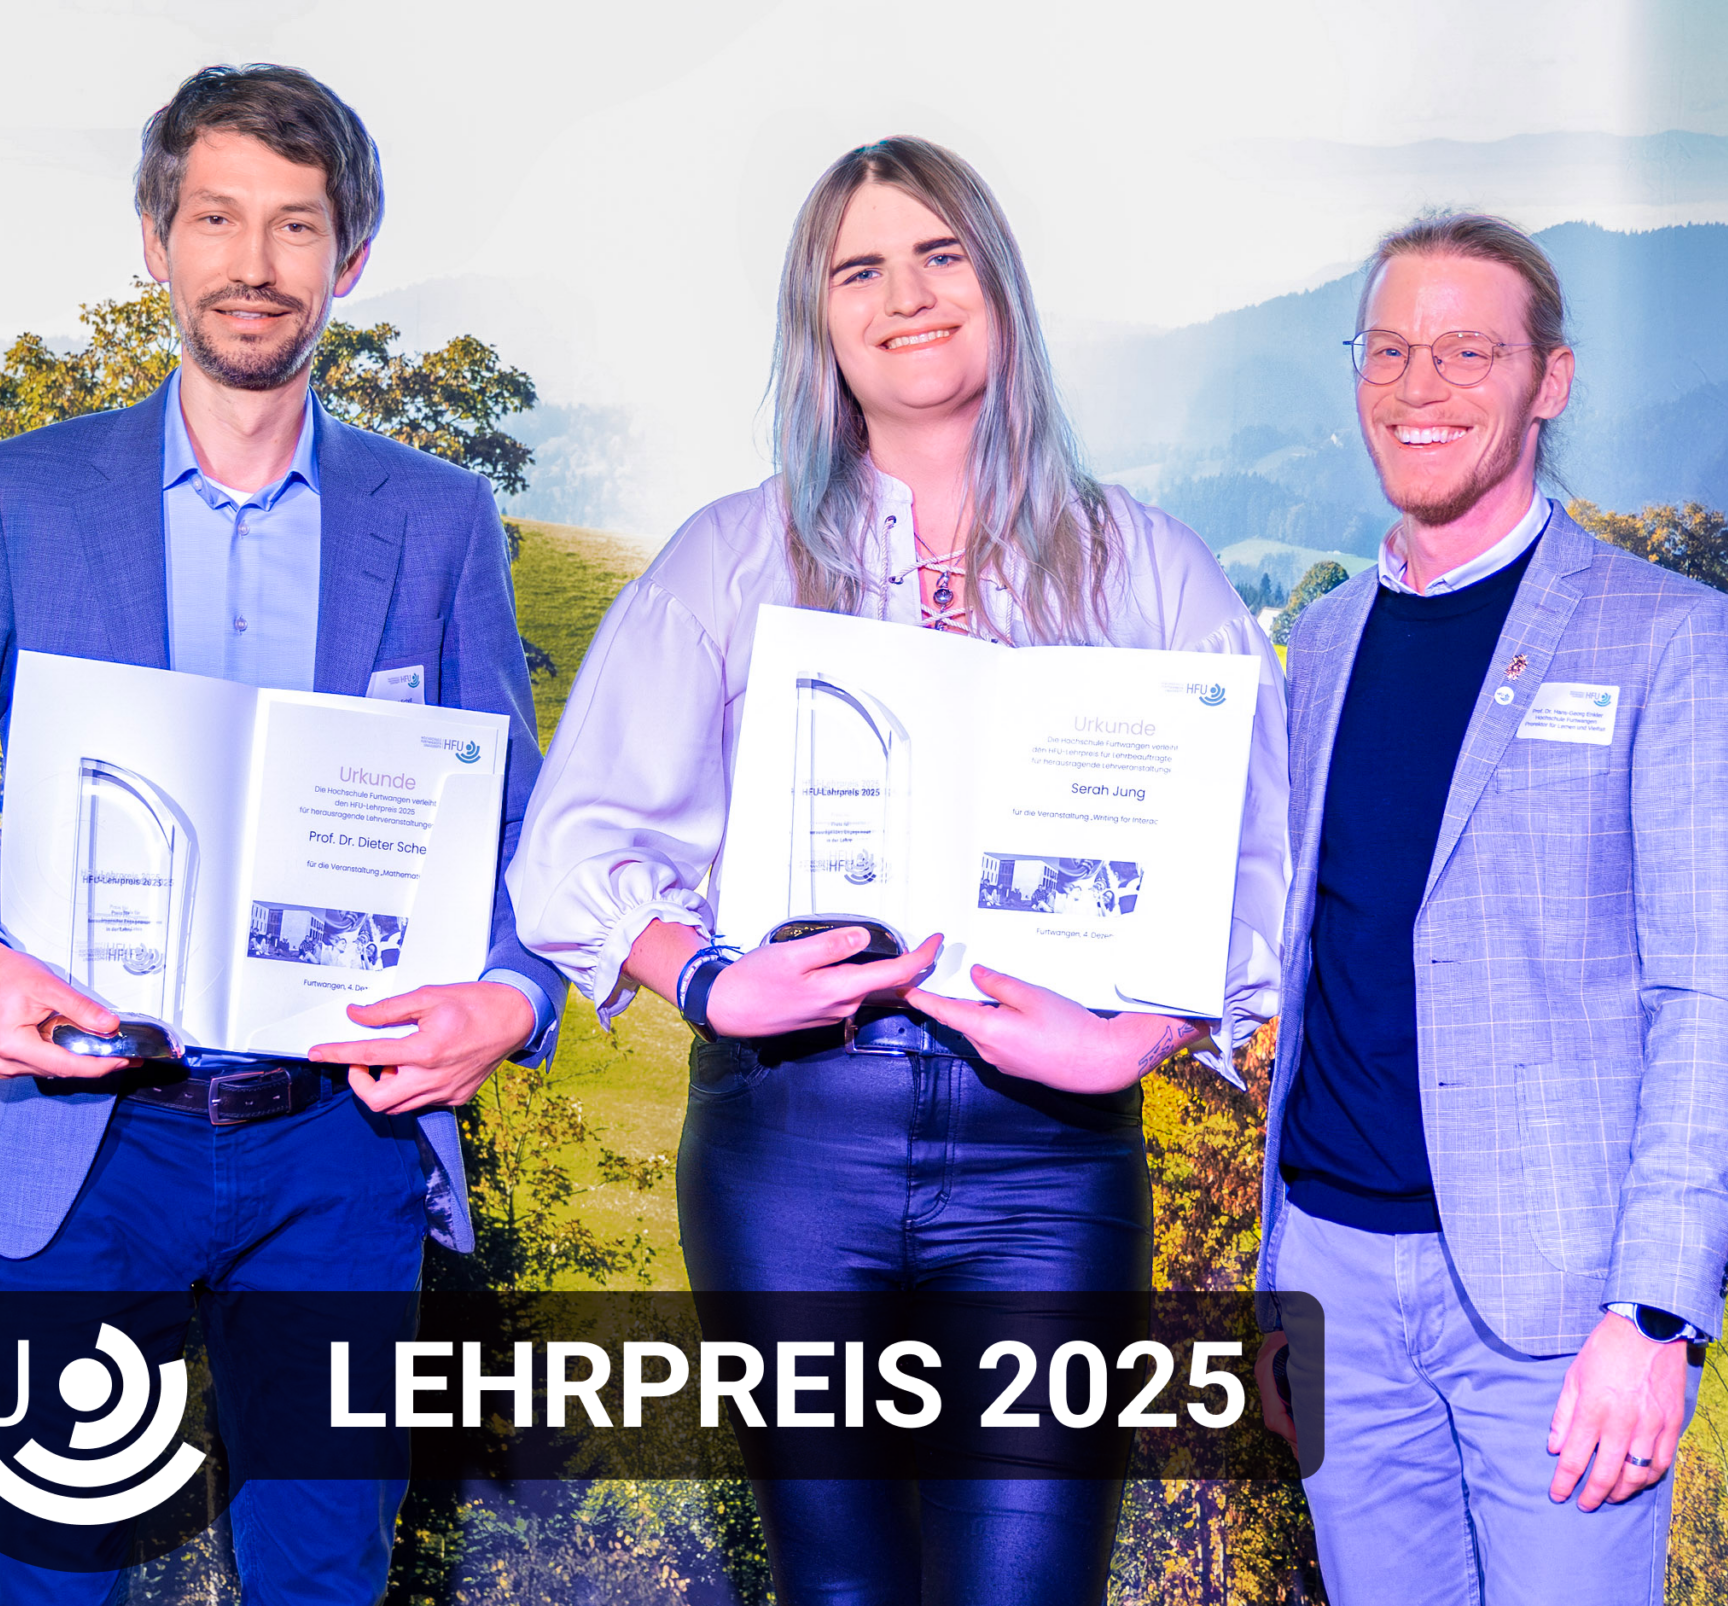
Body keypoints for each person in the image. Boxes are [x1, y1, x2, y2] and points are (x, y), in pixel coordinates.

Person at [508, 137, 1289, 1603]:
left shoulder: (1151, 568)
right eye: (859, 269)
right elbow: (575, 842)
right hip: (789, 1147)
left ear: (1001, 285)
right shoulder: (727, 561)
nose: (907, 296)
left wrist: (1140, 1036)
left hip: (1051, 1155)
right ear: (819, 322)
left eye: (940, 255)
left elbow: (1257, 864)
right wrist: (709, 982)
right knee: (840, 1590)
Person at [0, 64, 565, 1603]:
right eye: (217, 219)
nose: (255, 262)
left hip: (339, 1148)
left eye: (296, 225)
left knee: (323, 1574)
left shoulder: (438, 520)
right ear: (155, 241)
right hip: (87, 1134)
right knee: (45, 1576)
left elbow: (526, 828)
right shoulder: (23, 495)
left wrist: (513, 997)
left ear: (350, 260)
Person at [1252, 213, 1728, 1602]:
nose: (1419, 386)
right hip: (1334, 1287)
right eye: (1389, 350)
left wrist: (1654, 1313)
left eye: (1467, 351)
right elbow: (1303, 960)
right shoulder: (1322, 642)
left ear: (1551, 379)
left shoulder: (1671, 637)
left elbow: (1712, 1003)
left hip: (1562, 1308)